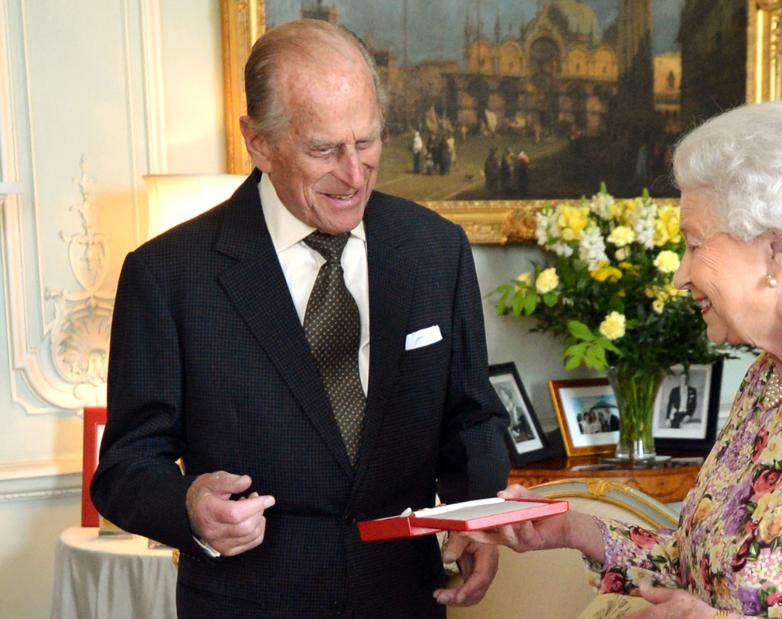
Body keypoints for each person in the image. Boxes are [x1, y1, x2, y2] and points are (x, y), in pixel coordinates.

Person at [458, 101, 782, 618]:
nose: (680, 275)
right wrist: (570, 527)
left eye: (695, 244)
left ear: (775, 249)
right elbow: (703, 566)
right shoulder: (773, 374)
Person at [91, 19, 511, 618]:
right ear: (257, 142)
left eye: (367, 142)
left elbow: (472, 417)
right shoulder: (168, 274)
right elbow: (126, 468)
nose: (354, 173)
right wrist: (188, 505)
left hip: (405, 600)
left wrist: (476, 515)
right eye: (323, 149)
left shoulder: (434, 250)